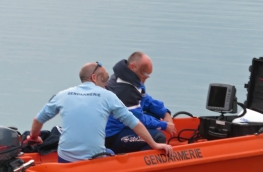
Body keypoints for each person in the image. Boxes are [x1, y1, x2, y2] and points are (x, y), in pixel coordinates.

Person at [25, 62, 173, 163]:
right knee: (114, 157)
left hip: (65, 159)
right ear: (94, 78)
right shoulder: (108, 96)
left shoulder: (62, 95)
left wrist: (33, 137)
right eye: (106, 78)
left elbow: (38, 120)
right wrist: (154, 144)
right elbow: (134, 122)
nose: (108, 83)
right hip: (94, 159)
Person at [105, 52, 176, 154]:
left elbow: (145, 98)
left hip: (124, 125)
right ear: (133, 66)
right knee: (158, 137)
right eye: (144, 76)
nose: (144, 80)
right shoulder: (124, 89)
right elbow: (139, 119)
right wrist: (164, 125)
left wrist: (164, 112)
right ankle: (132, 165)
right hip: (112, 136)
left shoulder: (126, 77)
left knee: (154, 114)